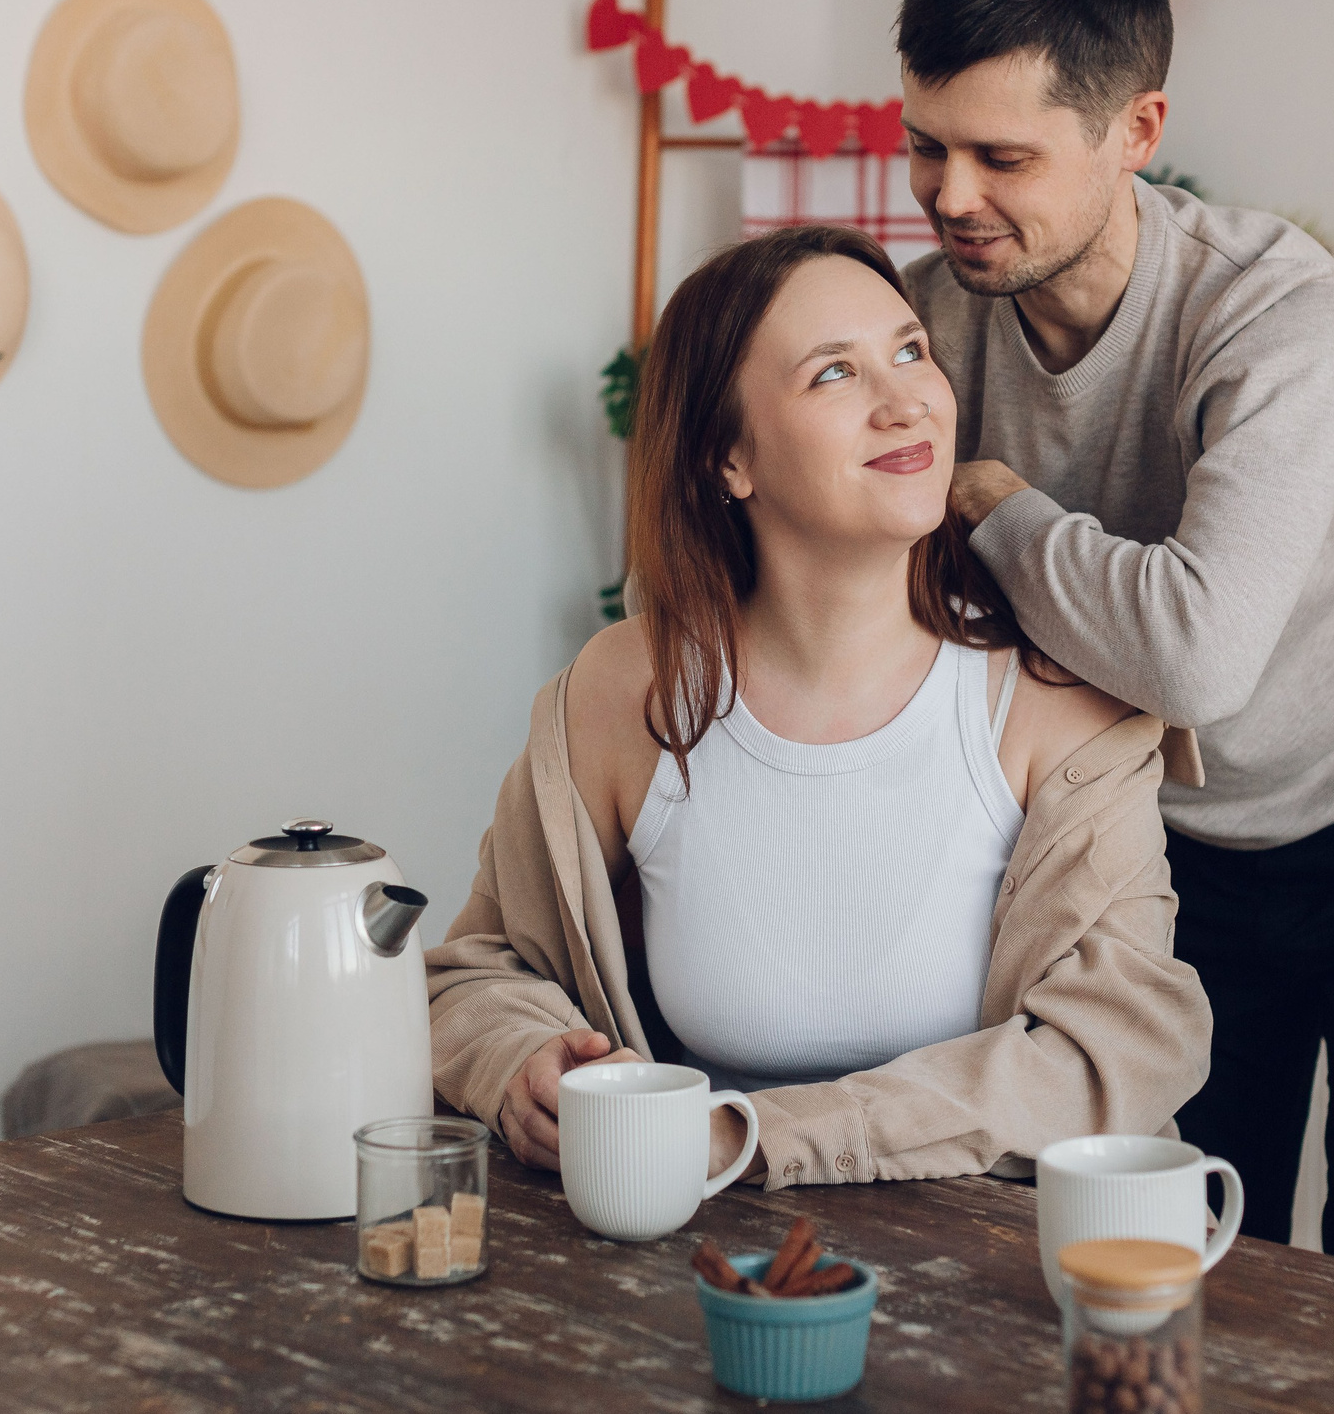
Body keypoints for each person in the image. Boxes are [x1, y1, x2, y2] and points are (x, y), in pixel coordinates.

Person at [889, 0, 1334, 1284]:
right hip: (1175, 842)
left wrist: (998, 505)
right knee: (1179, 1253)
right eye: (925, 146)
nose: (950, 196)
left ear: (1135, 130)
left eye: (1003, 156)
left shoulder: (1276, 310)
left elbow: (1196, 657)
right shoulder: (927, 319)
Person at [425, 224, 1211, 1189]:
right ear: (728, 459)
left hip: (988, 1254)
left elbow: (1119, 1051)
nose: (907, 401)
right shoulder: (625, 691)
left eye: (910, 351)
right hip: (686, 1242)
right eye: (834, 373)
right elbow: (478, 968)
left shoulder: (1061, 702)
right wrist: (518, 1063)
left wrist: (751, 1136)